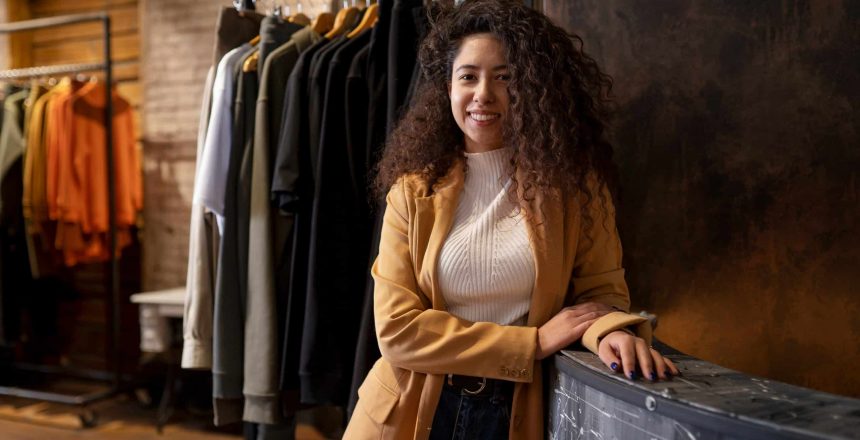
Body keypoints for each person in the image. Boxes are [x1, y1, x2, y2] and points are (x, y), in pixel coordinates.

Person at [345, 1, 679, 438]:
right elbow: (397, 331)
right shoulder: (411, 192)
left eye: (505, 77)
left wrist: (609, 332)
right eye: (468, 76)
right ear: (448, 88)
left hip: (517, 410)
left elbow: (600, 295)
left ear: (533, 89)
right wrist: (532, 343)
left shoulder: (577, 190)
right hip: (412, 410)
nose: (483, 93)